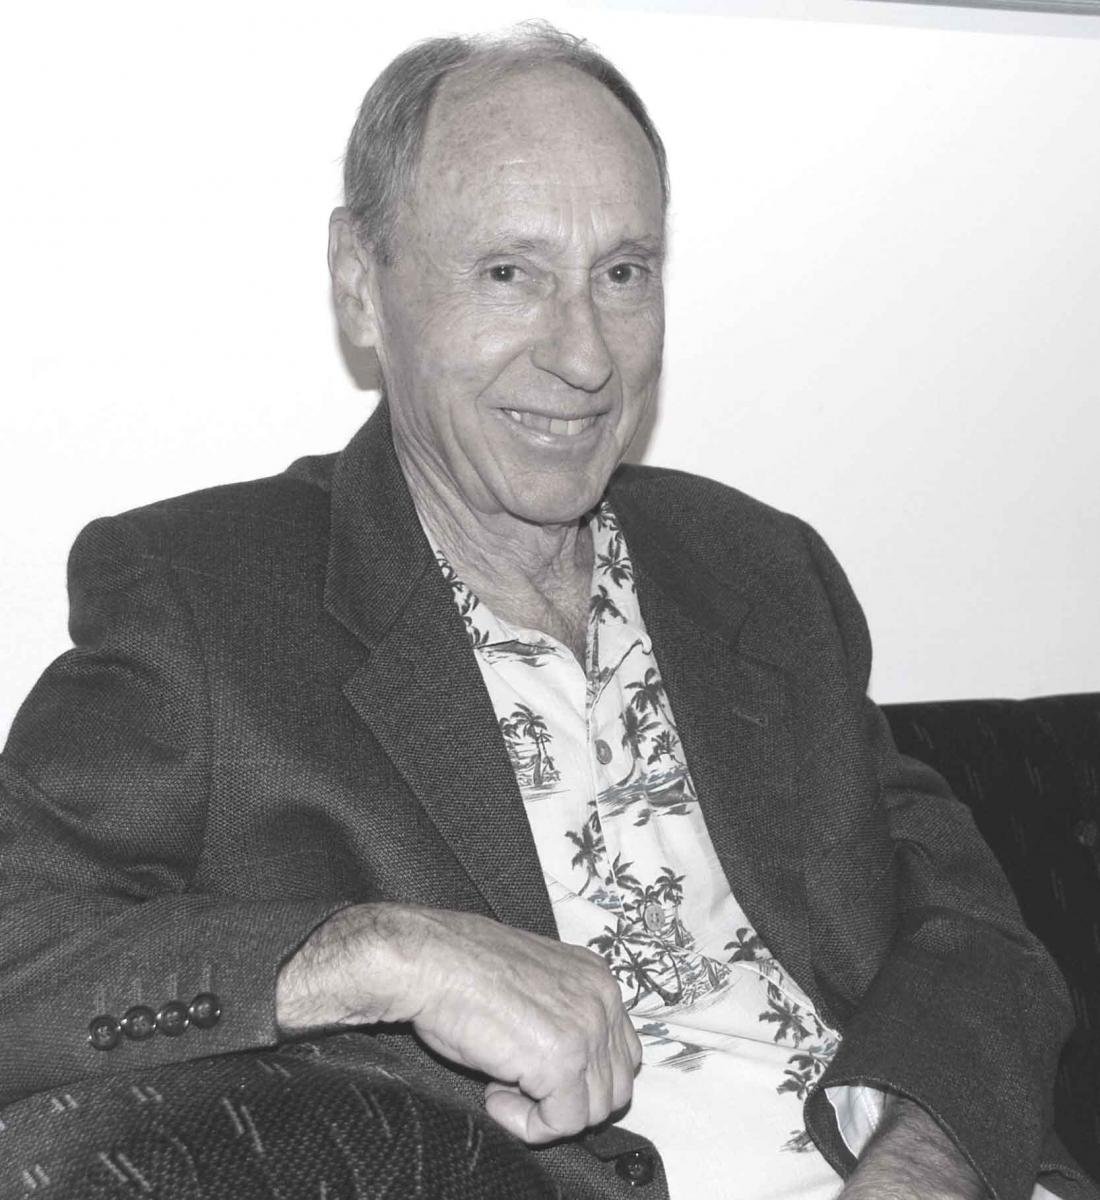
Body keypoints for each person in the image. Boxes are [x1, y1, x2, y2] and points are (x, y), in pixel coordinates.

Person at [0, 23, 1095, 1200]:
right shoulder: (206, 597)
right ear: (361, 283)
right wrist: (378, 953)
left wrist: (920, 1166)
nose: (583, 357)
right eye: (507, 273)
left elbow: (968, 926)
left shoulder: (755, 567)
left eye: (621, 273)